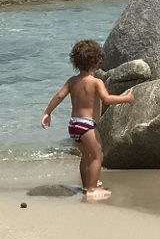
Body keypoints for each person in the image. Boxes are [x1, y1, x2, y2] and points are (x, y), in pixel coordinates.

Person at [40, 40, 134, 201]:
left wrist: (47, 113)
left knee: (85, 156)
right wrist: (126, 98)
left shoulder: (72, 81)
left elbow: (59, 96)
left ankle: (87, 185)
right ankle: (91, 190)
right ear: (97, 62)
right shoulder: (96, 82)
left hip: (74, 124)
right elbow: (107, 99)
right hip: (87, 125)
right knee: (98, 156)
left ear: (75, 62)